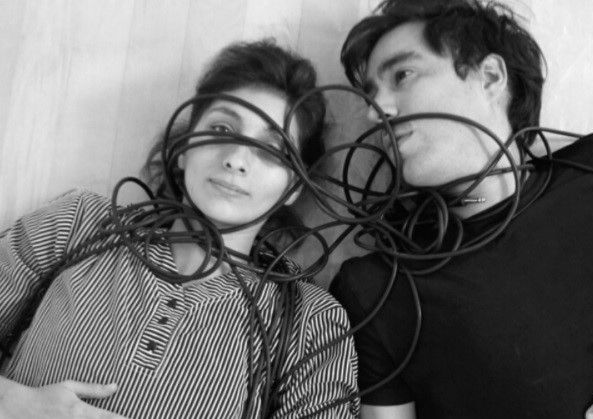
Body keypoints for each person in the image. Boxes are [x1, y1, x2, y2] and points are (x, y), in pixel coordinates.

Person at [328, 0, 593, 418]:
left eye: (402, 75)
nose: (377, 111)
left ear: (490, 77)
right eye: (370, 95)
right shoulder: (378, 288)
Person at [0, 40, 359, 418]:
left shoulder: (313, 324)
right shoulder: (78, 222)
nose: (236, 159)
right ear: (185, 147)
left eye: (272, 149)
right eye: (222, 128)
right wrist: (17, 404)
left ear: (294, 185)